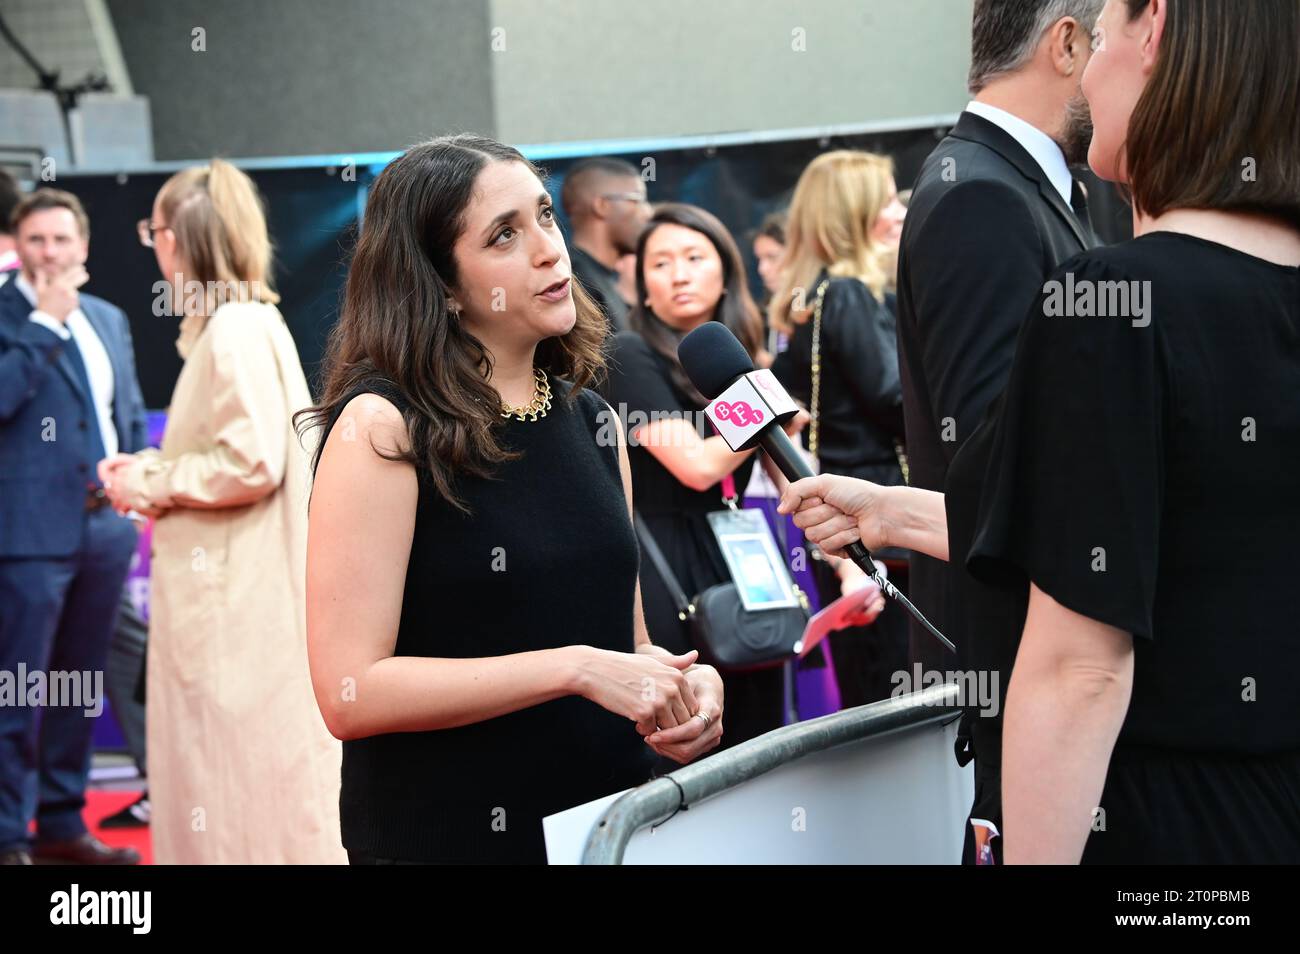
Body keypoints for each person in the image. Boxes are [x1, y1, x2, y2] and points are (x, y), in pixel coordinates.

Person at [780, 0, 1300, 864]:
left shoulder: (1120, 302)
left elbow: (1081, 666)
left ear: (1156, 31)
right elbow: (1142, 506)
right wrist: (897, 512)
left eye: (1105, 34)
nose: (1090, 73)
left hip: (1163, 818)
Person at [298, 135, 725, 865]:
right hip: (447, 835)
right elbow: (350, 692)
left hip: (606, 826)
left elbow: (626, 645)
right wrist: (575, 668)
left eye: (546, 217)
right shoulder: (383, 427)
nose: (549, 251)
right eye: (504, 234)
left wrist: (685, 687)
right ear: (438, 281)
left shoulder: (594, 421)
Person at [893, 0, 1103, 860]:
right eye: (1123, 30)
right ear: (1067, 43)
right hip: (1036, 677)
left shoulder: (1026, 186)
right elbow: (998, 465)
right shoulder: (981, 195)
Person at [99, 159, 344, 864]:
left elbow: (250, 461)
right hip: (243, 598)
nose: (156, 248)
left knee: (234, 781)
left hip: (235, 609)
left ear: (178, 238)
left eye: (156, 232)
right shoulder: (247, 322)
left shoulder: (234, 329)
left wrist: (145, 478)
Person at [603, 202, 822, 749]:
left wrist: (847, 565)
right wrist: (763, 411)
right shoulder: (629, 354)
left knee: (764, 729)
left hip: (743, 547)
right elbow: (697, 466)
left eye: (695, 257)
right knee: (697, 734)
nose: (678, 274)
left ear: (725, 268)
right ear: (643, 286)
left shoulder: (738, 358)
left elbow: (791, 472)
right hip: (669, 560)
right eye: (660, 263)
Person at [0, 189, 147, 865]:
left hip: (104, 532)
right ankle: (7, 834)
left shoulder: (109, 318)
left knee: (78, 686)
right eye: (37, 240)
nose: (51, 253)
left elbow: (127, 412)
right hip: (26, 535)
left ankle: (61, 825)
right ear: (17, 245)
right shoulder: (9, 315)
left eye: (62, 240)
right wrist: (43, 326)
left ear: (84, 246)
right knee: (18, 686)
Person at [769, 150, 905, 710]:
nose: (900, 213)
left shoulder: (815, 297)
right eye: (888, 201)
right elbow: (894, 400)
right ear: (853, 216)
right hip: (875, 517)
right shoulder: (847, 293)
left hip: (843, 515)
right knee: (898, 685)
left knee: (873, 686)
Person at [559, 157, 651, 333]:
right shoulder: (577, 282)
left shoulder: (601, 279)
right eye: (637, 200)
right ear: (602, 206)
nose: (647, 212)